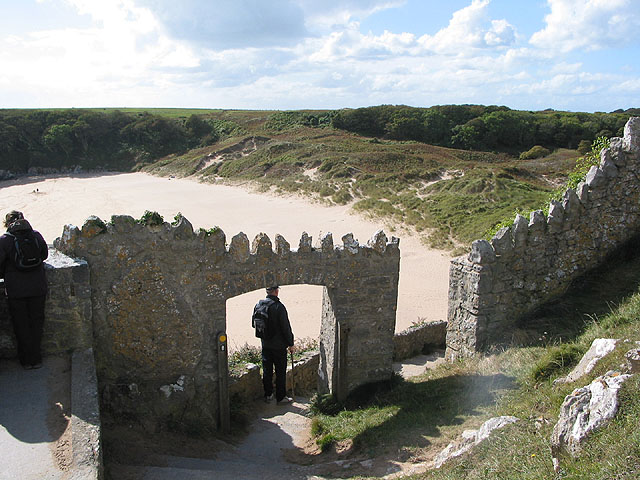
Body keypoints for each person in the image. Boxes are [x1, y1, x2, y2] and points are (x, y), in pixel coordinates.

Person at [0, 211, 48, 369]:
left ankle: (26, 361)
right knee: (36, 322)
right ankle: (37, 359)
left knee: (21, 325)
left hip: (16, 290)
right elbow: (45, 255)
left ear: (7, 224)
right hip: (38, 286)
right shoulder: (36, 235)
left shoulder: (5, 240)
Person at [259, 285, 294, 404]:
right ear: (276, 292)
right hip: (278, 346)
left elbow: (255, 325)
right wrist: (291, 343)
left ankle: (268, 395)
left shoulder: (259, 305)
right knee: (280, 372)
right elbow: (286, 327)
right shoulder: (279, 307)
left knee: (267, 371)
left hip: (265, 344)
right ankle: (281, 397)